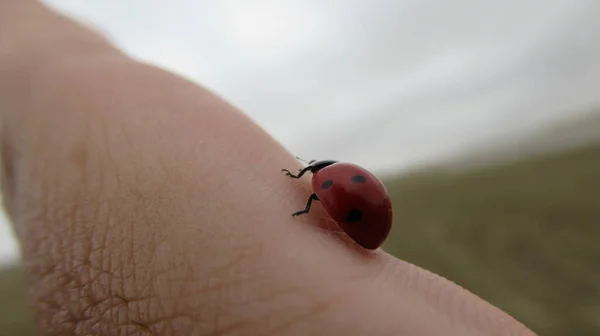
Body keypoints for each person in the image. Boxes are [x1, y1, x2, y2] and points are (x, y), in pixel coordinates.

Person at [0, 1, 535, 335]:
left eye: (310, 175)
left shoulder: (324, 183)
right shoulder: (332, 177)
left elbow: (318, 197)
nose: (307, 177)